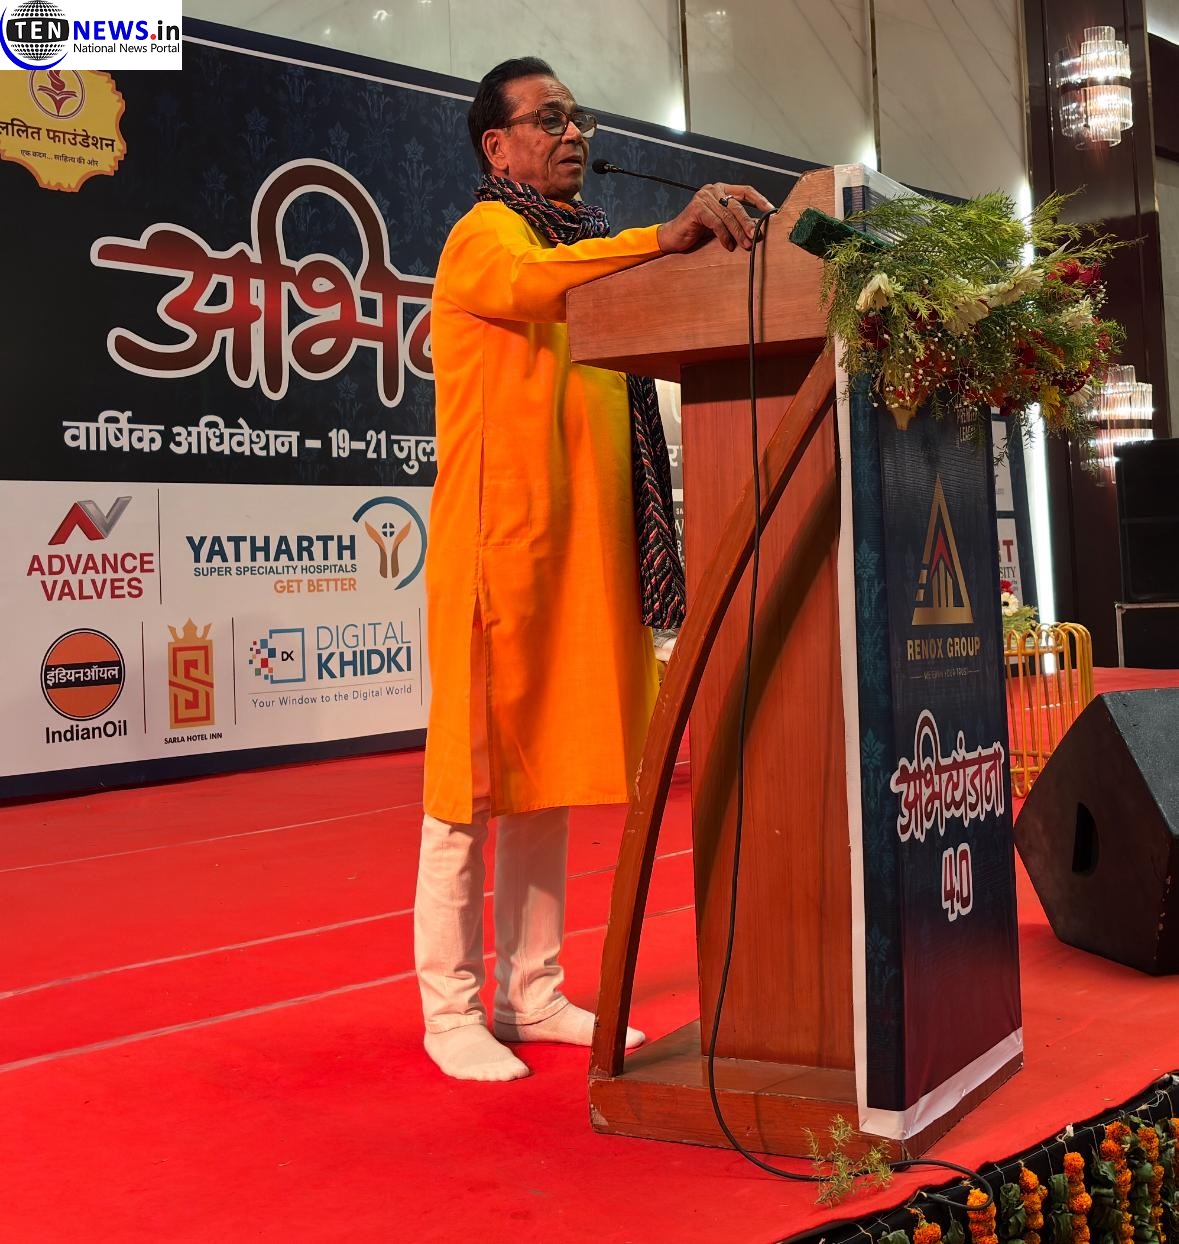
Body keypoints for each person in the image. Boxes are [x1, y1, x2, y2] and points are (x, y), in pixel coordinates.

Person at [415, 55, 774, 1082]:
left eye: (578, 118)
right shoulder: (489, 235)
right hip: (498, 551)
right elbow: (532, 287)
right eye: (549, 118)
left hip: (576, 551)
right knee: (467, 791)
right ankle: (450, 1008)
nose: (572, 133)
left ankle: (530, 991)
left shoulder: (587, 251)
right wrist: (663, 236)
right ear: (498, 147)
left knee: (547, 778)